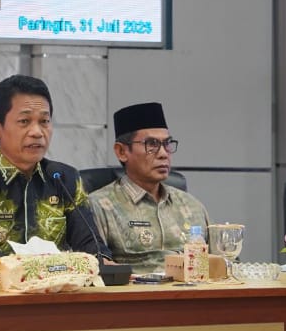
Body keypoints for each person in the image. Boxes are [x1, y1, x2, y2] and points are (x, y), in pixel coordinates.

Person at [0, 75, 110, 278]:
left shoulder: (64, 178)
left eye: (44, 121)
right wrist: (26, 273)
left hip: (57, 288)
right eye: (24, 121)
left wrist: (103, 262)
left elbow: (89, 243)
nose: (37, 132)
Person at [89, 102, 211, 273]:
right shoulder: (99, 206)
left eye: (167, 144)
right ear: (121, 152)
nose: (163, 154)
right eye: (151, 144)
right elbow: (95, 269)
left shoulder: (192, 206)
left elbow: (223, 262)